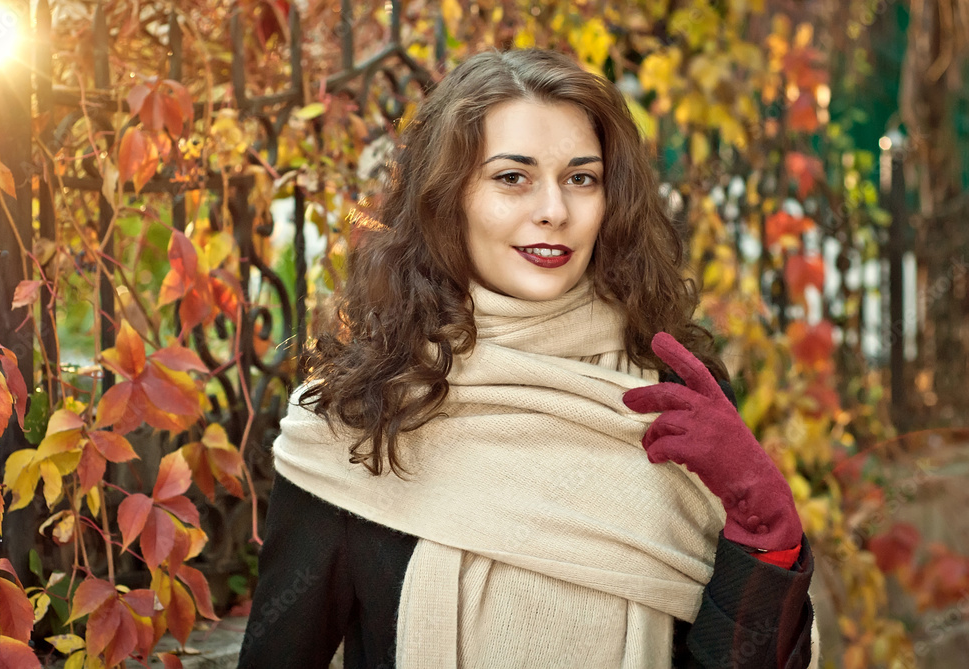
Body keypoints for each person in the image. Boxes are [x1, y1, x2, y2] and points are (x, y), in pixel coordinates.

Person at [236, 48, 818, 669]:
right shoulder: (358, 420)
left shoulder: (672, 397)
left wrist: (767, 545)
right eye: (512, 177)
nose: (555, 211)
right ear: (447, 197)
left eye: (581, 178)